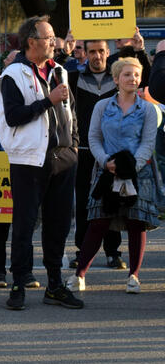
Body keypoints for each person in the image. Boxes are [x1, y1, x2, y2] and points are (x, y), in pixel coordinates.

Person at [0, 15, 84, 310]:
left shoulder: (60, 70)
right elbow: (14, 116)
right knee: (24, 224)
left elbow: (70, 111)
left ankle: (55, 285)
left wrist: (73, 144)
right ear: (32, 42)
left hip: (63, 157)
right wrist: (48, 100)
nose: (55, 42)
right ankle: (19, 284)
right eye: (49, 38)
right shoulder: (13, 75)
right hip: (29, 160)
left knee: (58, 224)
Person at [67, 57, 158, 294]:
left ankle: (134, 277)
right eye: (127, 75)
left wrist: (129, 167)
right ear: (116, 79)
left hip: (138, 174)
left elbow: (148, 143)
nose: (133, 79)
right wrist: (105, 161)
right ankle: (79, 275)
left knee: (136, 223)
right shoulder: (102, 106)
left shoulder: (148, 108)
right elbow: (94, 137)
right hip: (105, 172)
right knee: (98, 222)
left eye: (136, 75)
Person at [68, 39, 124, 270]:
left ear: (108, 52)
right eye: (92, 51)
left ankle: (113, 253)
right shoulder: (74, 79)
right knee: (82, 203)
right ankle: (82, 252)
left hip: (112, 151)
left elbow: (147, 79)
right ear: (86, 54)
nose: (97, 56)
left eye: (101, 51)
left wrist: (138, 49)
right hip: (82, 150)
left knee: (112, 201)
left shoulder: (119, 80)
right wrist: (65, 52)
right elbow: (54, 73)